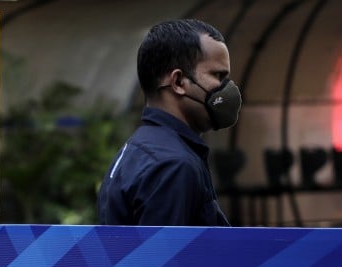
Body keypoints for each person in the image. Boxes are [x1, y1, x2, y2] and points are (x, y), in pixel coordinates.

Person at [97, 19, 241, 226]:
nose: (226, 87)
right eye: (218, 75)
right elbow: (165, 257)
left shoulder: (140, 148)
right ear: (178, 82)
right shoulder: (173, 165)